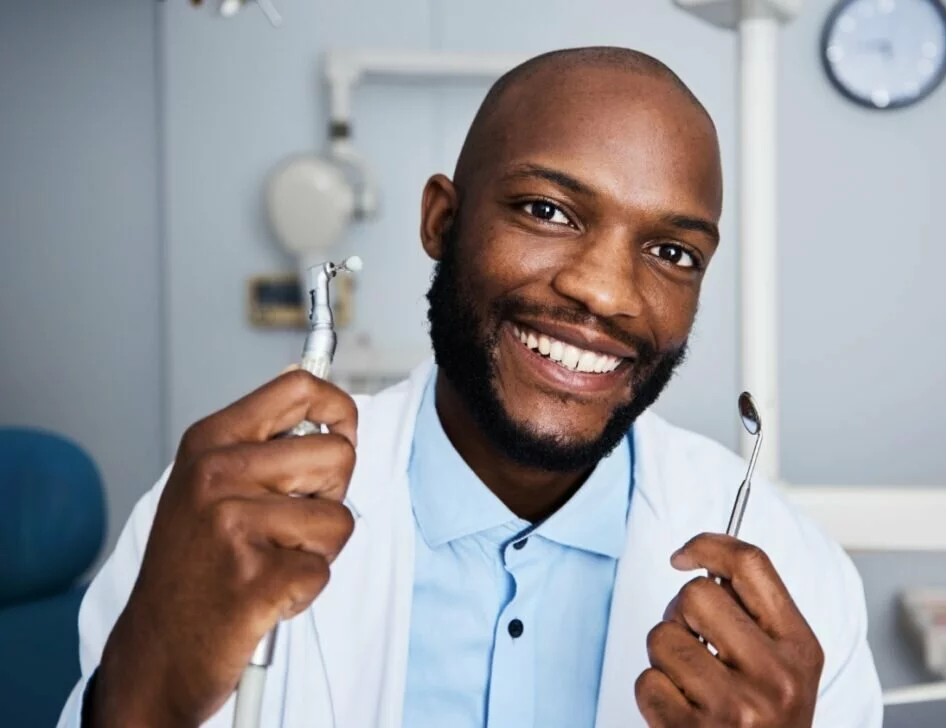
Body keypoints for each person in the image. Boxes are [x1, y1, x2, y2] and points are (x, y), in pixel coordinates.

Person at [58, 47, 882, 728]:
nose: (605, 293)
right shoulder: (220, 517)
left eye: (673, 253)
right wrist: (144, 696)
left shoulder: (798, 587)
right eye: (547, 210)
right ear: (442, 223)